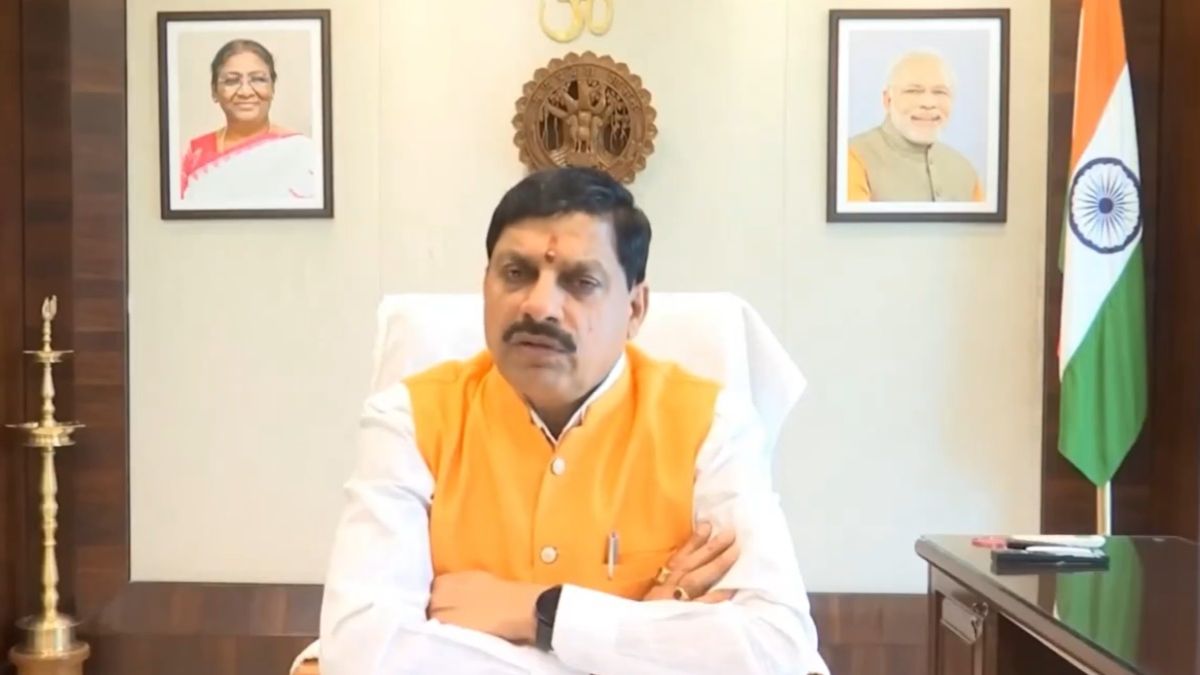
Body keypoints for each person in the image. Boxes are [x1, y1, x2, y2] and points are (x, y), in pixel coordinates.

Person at [317, 167, 829, 674]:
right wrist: (636, 636)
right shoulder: (410, 420)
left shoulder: (711, 426)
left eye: (581, 282)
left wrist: (543, 614)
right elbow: (362, 653)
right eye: (515, 273)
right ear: (485, 285)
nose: (540, 305)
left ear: (635, 309)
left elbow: (775, 649)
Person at [178, 39, 317, 204]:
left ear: (272, 88)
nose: (245, 92)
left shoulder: (302, 151)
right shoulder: (195, 154)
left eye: (258, 79)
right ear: (214, 91)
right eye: (231, 80)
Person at [847, 49, 984, 203]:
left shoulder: (965, 171)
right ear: (888, 100)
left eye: (940, 92)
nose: (928, 103)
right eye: (913, 91)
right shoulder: (852, 158)